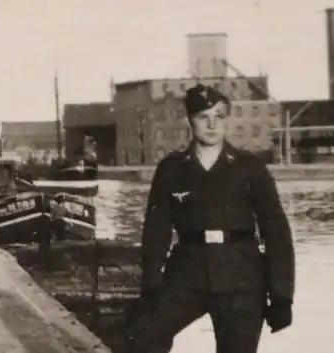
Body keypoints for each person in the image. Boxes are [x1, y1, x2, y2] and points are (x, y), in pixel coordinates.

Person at [125, 83, 295, 353]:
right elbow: (156, 230)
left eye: (219, 116)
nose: (212, 125)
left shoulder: (250, 168)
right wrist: (152, 282)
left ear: (226, 120)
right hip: (187, 273)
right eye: (204, 117)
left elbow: (277, 232)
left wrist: (282, 296)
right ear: (190, 121)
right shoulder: (172, 169)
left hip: (242, 278)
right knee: (141, 339)